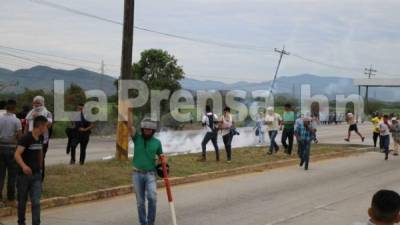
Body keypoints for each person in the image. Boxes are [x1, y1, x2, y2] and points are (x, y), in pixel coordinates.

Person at [128, 112, 164, 225]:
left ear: (153, 131)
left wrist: (162, 161)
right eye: (145, 129)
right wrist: (129, 112)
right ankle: (143, 223)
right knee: (140, 202)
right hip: (136, 174)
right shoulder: (137, 138)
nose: (147, 130)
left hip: (151, 174)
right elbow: (129, 127)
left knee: (152, 198)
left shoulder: (157, 143)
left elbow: (161, 156)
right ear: (142, 129)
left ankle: (150, 222)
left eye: (149, 129)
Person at [15, 115, 48, 225]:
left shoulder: (41, 138)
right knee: (22, 202)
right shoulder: (26, 138)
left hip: (36, 175)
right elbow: (17, 154)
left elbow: (40, 152)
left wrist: (41, 167)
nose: (46, 129)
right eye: (46, 126)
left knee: (36, 202)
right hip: (23, 176)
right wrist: (24, 166)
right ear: (40, 126)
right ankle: (21, 222)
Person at [0, 100, 22, 207]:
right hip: (12, 149)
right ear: (14, 108)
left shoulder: (0, 118)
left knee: (1, 175)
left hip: (1, 148)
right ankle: (10, 199)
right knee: (12, 176)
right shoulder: (16, 120)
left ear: (6, 107)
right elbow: (19, 136)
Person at [25, 96, 53, 181]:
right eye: (35, 103)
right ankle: (29, 177)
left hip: (42, 139)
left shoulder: (47, 113)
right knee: (28, 157)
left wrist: (38, 116)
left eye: (38, 103)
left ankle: (40, 178)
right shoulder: (30, 113)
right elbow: (26, 125)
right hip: (30, 138)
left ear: (42, 103)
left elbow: (49, 125)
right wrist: (24, 136)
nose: (36, 105)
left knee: (40, 158)